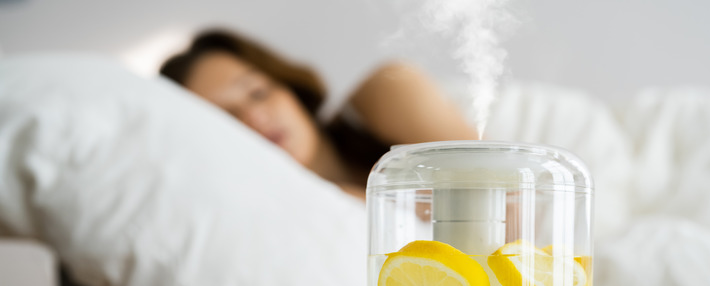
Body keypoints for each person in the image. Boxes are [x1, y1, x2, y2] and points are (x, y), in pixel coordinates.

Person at [160, 29, 478, 199]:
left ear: (289, 87)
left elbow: (503, 189)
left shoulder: (383, 95)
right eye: (226, 120)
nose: (254, 119)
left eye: (258, 92)